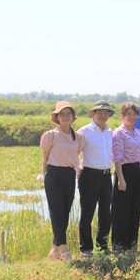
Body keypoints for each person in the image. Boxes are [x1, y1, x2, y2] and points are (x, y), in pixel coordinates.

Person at [40, 101, 84, 262]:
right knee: (57, 211)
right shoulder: (50, 135)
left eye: (68, 114)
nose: (65, 117)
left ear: (73, 117)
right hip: (54, 174)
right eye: (62, 114)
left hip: (69, 174)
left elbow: (76, 155)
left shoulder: (78, 137)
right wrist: (45, 175)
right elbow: (45, 158)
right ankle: (64, 250)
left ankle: (54, 249)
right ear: (57, 117)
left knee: (65, 212)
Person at [111, 102, 140, 251]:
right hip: (124, 171)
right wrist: (121, 179)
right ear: (122, 116)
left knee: (135, 209)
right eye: (128, 114)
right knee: (121, 210)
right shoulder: (119, 133)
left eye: (134, 114)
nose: (132, 117)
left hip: (137, 172)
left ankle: (132, 245)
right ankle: (119, 246)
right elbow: (117, 157)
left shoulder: (138, 133)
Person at [76, 101, 115, 257]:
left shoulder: (110, 132)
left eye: (106, 112)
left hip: (106, 176)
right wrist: (78, 170)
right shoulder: (84, 131)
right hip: (89, 176)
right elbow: (75, 152)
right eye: (100, 112)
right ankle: (86, 249)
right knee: (87, 213)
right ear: (93, 113)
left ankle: (102, 246)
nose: (103, 115)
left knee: (106, 214)